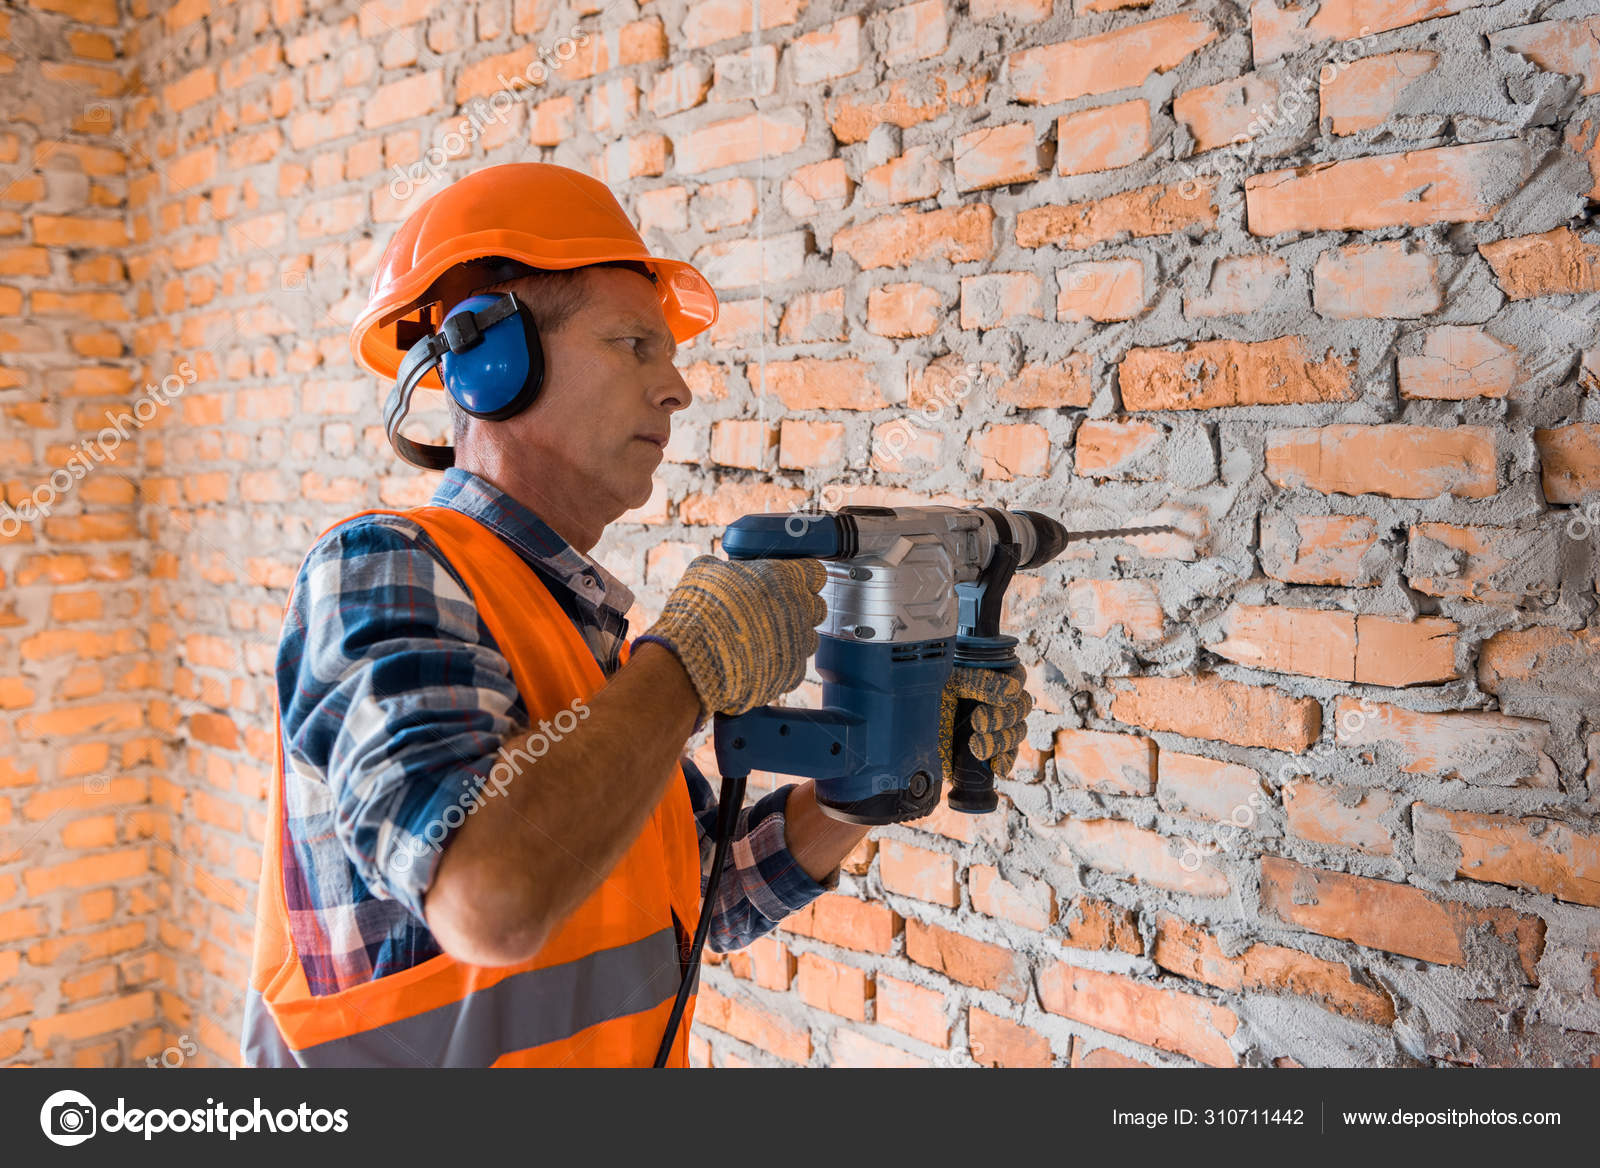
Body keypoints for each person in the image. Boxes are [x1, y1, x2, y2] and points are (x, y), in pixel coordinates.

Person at [241, 163, 1033, 1067]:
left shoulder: (581, 634)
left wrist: (880, 768)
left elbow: (707, 894)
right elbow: (487, 893)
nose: (678, 390)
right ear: (492, 361)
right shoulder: (384, 569)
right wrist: (688, 668)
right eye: (633, 346)